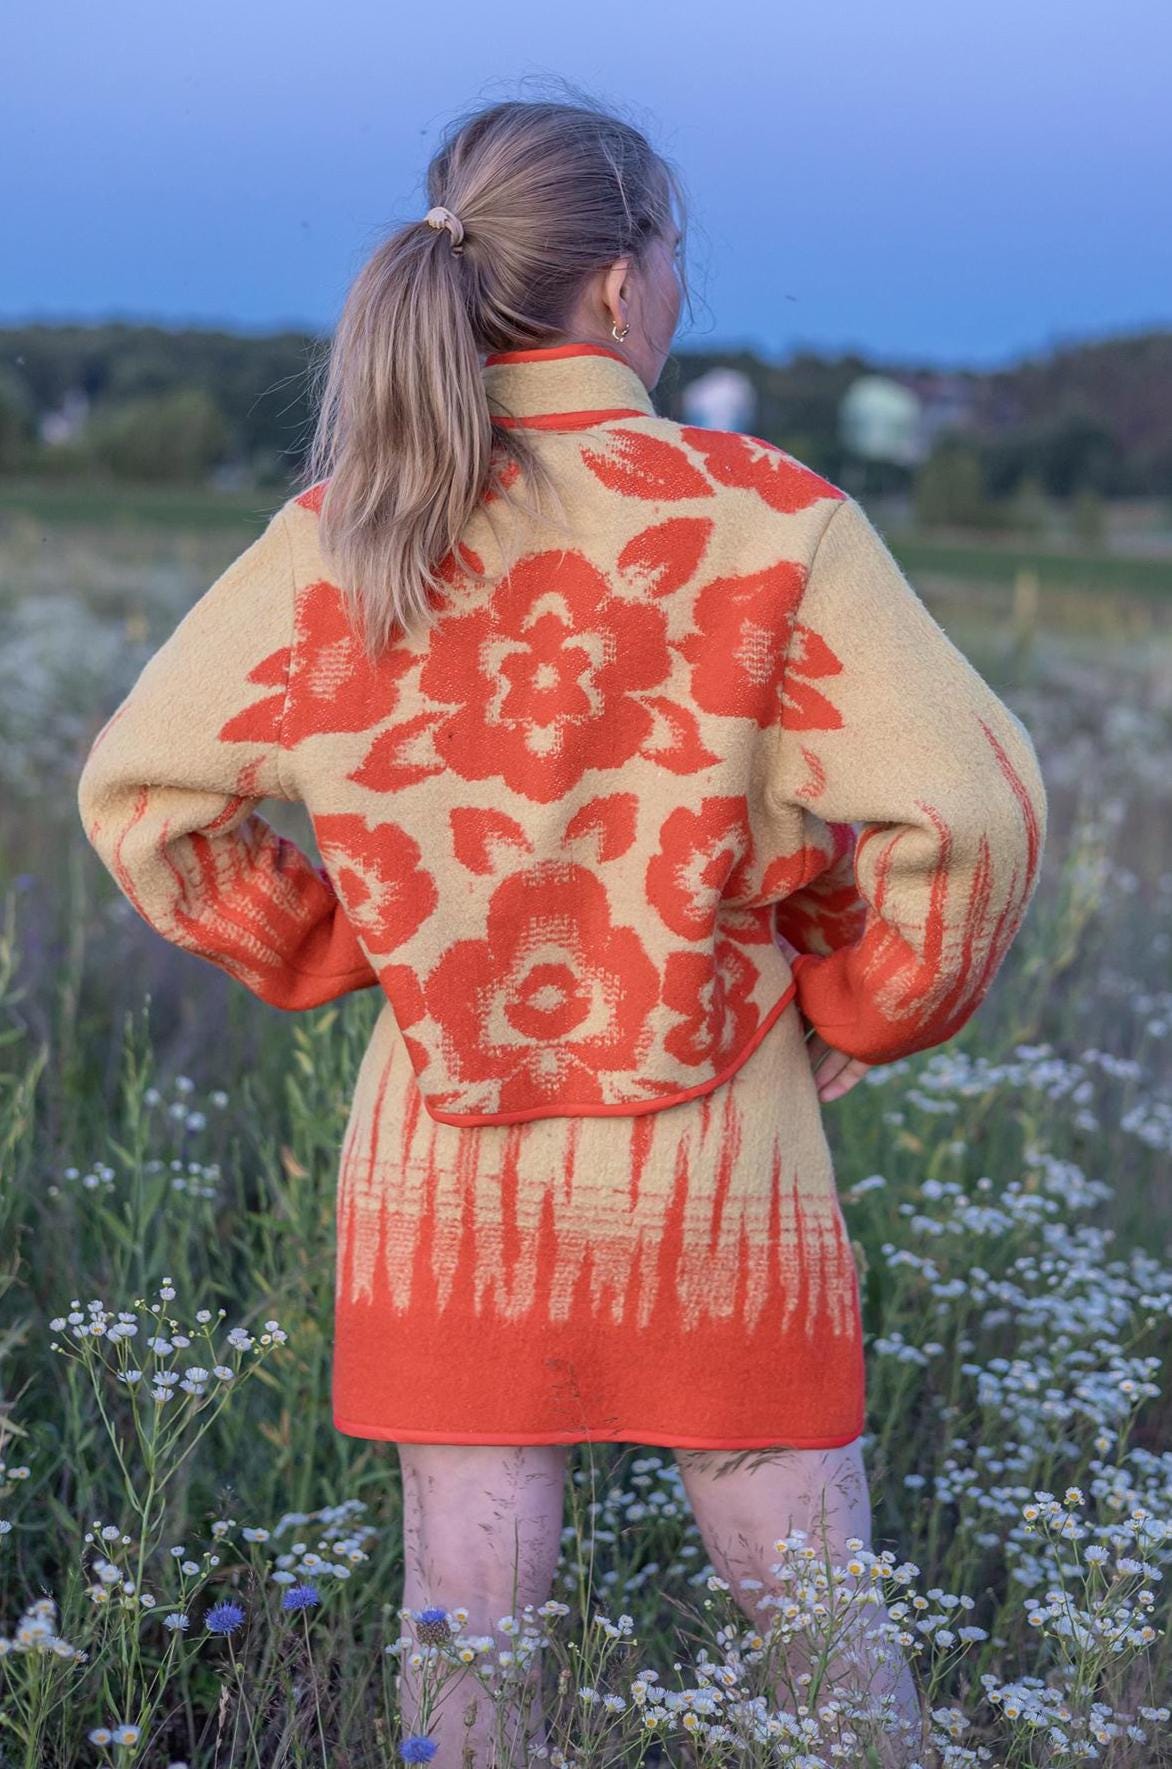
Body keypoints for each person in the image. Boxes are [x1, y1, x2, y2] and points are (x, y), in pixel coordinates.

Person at [76, 89, 1048, 1766]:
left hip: (445, 1154)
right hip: (722, 1152)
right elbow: (976, 811)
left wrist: (350, 944)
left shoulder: (346, 525)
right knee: (820, 1631)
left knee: (469, 1636)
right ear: (619, 282)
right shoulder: (772, 516)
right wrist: (867, 999)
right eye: (673, 253)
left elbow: (144, 796)